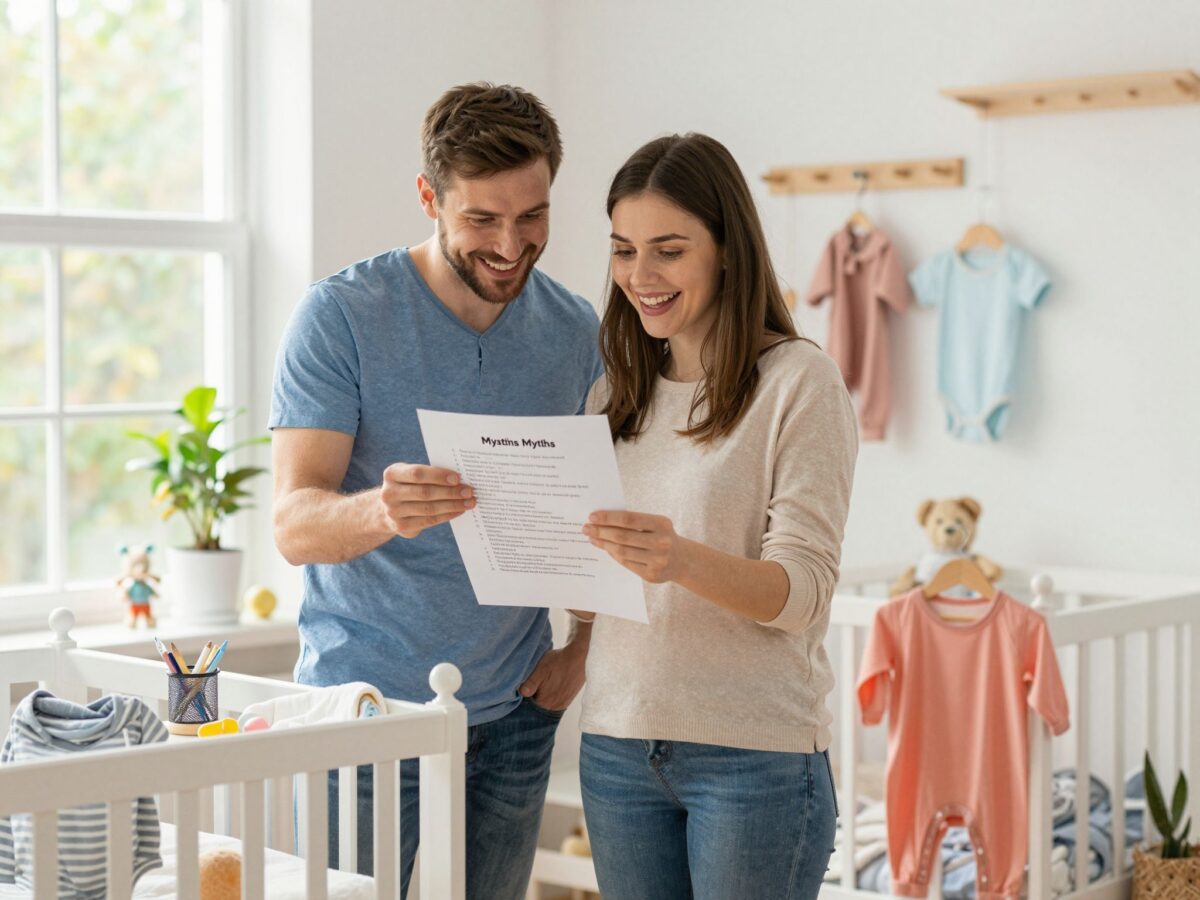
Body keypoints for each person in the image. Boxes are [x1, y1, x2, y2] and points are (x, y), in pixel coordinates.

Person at [270, 82, 600, 899]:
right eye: (482, 219)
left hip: (515, 715)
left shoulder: (573, 331)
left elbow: (599, 504)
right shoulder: (342, 316)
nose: (511, 245)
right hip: (365, 713)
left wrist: (583, 648)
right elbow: (293, 525)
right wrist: (380, 510)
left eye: (533, 216)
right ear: (429, 197)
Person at [574, 133, 858, 899]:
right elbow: (598, 598)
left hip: (754, 758)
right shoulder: (612, 395)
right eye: (624, 251)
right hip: (617, 747)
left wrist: (680, 560)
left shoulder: (798, 383)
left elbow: (802, 595)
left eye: (668, 251)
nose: (641, 277)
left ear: (728, 250)